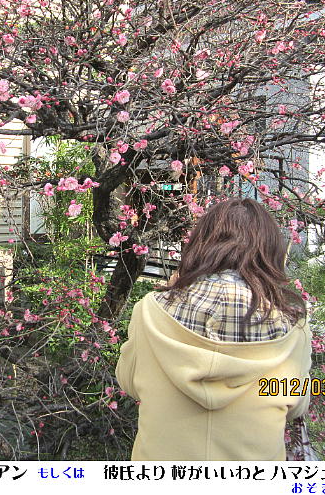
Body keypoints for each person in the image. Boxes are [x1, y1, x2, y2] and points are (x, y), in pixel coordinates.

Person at [115, 197, 313, 460]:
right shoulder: (292, 326)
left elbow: (128, 381)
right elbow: (296, 406)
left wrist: (172, 290)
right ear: (269, 253)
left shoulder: (150, 310)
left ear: (201, 244)